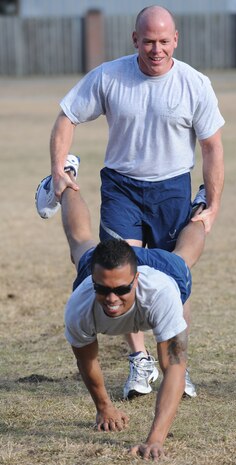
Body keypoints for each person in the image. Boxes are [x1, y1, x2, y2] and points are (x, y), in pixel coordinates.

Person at [40, 5, 225, 398]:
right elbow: (67, 116)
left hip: (172, 187)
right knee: (121, 275)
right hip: (122, 186)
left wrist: (213, 202)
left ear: (176, 39)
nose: (156, 50)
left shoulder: (195, 84)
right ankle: (140, 360)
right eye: (148, 41)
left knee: (176, 284)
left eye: (163, 41)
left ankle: (178, 366)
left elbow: (212, 147)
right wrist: (57, 167)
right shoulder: (110, 76)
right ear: (134, 39)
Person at [35, 157, 207, 460]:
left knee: (184, 256)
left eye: (121, 290)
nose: (112, 299)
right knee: (80, 245)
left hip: (159, 271)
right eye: (104, 290)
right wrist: (104, 406)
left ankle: (201, 206)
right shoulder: (81, 304)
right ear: (94, 283)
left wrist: (155, 439)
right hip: (108, 265)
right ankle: (65, 176)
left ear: (136, 281)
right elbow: (87, 362)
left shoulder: (162, 293)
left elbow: (176, 366)